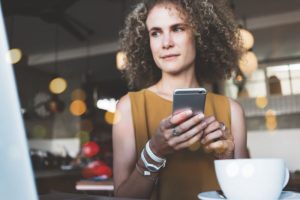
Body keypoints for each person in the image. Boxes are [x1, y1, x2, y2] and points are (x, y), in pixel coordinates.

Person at [113, 0, 249, 199]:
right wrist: (154, 151)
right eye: (155, 33)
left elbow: (246, 195)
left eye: (177, 29)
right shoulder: (128, 107)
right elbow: (123, 197)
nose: (166, 43)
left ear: (200, 35)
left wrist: (226, 158)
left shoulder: (232, 110)